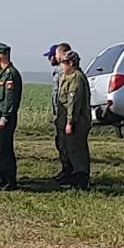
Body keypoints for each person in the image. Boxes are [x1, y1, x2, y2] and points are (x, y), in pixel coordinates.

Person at [56, 51, 91, 189]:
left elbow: (73, 102)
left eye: (63, 63)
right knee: (68, 149)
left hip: (77, 121)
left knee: (77, 151)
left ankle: (81, 179)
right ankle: (71, 177)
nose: (61, 66)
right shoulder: (66, 77)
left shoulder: (76, 78)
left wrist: (70, 122)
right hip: (65, 120)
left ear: (71, 63)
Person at [0, 41, 23, 190]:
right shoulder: (1, 73)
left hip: (6, 118)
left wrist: (4, 117)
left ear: (1, 56)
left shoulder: (10, 74)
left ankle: (9, 180)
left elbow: (10, 100)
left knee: (3, 150)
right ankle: (2, 178)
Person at [45, 43, 73, 183]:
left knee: (66, 144)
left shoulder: (66, 73)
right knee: (60, 143)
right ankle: (65, 170)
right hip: (59, 114)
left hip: (64, 114)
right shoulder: (59, 71)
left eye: (54, 55)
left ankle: (69, 171)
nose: (51, 58)